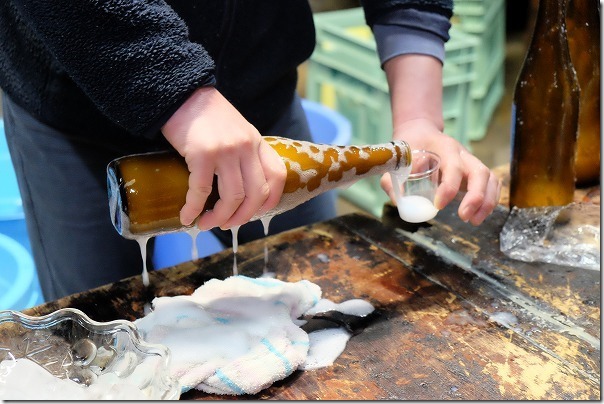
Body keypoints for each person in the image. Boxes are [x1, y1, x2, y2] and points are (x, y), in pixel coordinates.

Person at [0, 0, 501, 302]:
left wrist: (417, 120)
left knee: (316, 293)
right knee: (101, 334)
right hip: (78, 100)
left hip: (262, 95)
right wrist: (179, 93)